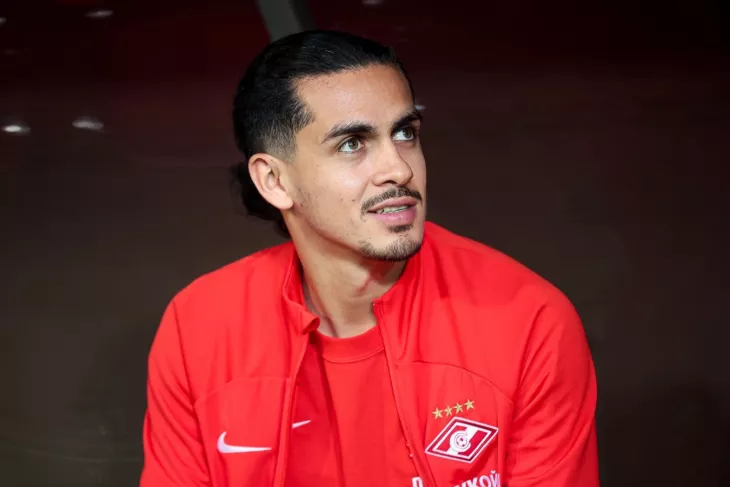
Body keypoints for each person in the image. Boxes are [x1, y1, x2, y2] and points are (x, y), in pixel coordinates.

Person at [140, 30, 599, 487]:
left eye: (405, 133)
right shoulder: (197, 327)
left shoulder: (529, 321)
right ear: (274, 181)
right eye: (352, 143)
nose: (399, 168)